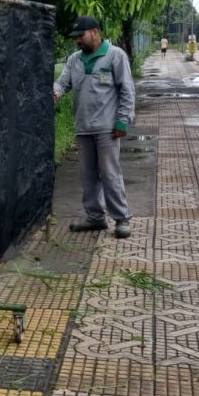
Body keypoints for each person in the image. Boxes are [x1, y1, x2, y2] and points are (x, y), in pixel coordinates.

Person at [53, 16, 135, 238]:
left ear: (95, 32)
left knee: (110, 174)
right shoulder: (74, 60)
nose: (78, 40)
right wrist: (55, 92)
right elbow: (62, 83)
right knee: (88, 175)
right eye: (76, 37)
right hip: (83, 128)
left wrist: (123, 120)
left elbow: (127, 90)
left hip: (107, 129)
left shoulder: (115, 56)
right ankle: (95, 217)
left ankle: (121, 218)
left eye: (81, 36)